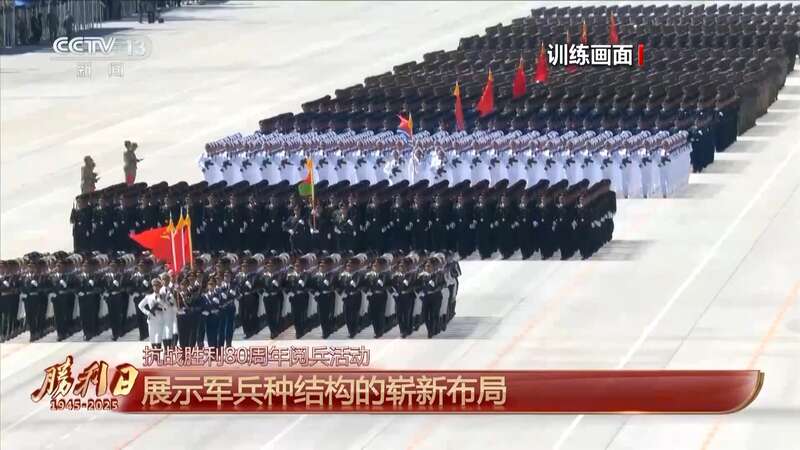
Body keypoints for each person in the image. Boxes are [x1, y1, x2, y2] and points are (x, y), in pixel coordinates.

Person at [138, 278, 167, 348]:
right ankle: (154, 353)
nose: (156, 287)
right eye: (154, 285)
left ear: (160, 286)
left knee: (158, 339)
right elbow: (140, 305)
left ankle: (158, 353)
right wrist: (147, 312)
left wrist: (160, 301)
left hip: (161, 320)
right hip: (151, 320)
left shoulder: (164, 296)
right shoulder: (149, 297)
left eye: (157, 285)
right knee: (152, 339)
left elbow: (167, 307)